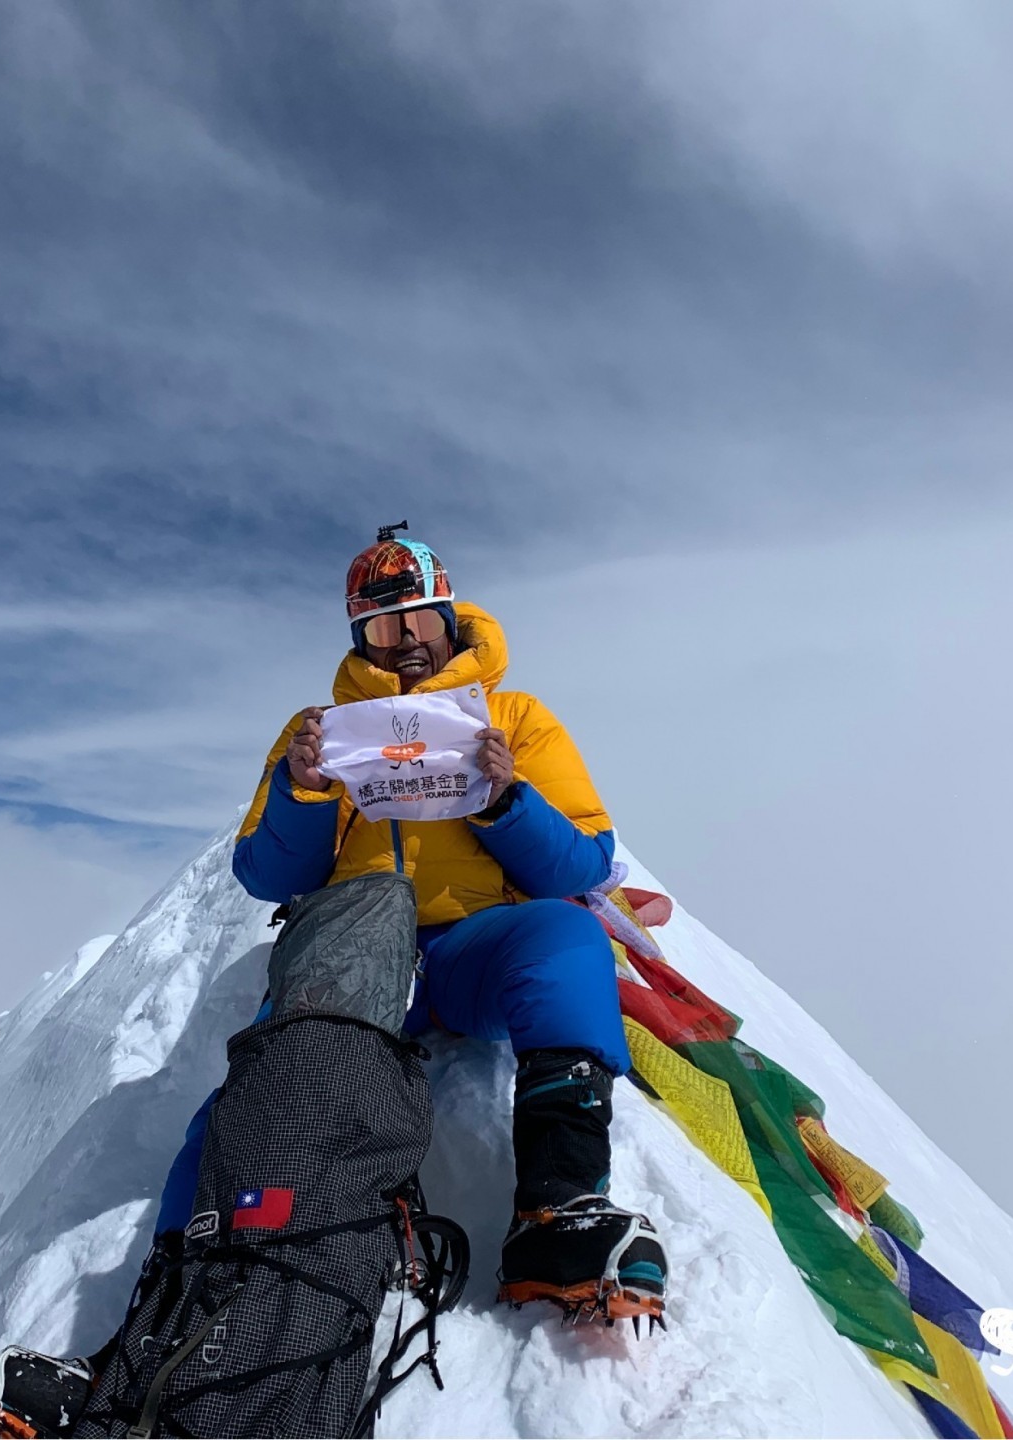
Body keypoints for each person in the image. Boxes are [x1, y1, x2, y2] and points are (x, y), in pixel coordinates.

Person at [155, 523, 666, 1320]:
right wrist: (305, 788)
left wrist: (505, 801)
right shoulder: (318, 733)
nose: (406, 643)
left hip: (470, 950)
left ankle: (558, 1204)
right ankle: (183, 1266)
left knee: (565, 937)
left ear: (451, 618)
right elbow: (265, 873)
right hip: (356, 951)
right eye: (383, 628)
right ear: (360, 635)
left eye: (421, 620)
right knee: (263, 1077)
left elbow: (583, 864)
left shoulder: (515, 718)